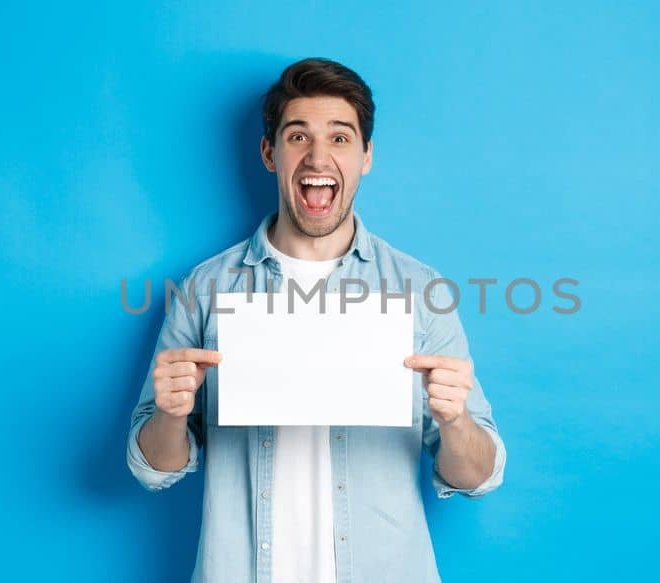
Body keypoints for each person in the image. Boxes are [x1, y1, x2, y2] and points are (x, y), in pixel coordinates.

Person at [125, 57, 506, 582]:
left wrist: (456, 420)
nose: (318, 156)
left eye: (341, 138)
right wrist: (170, 415)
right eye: (298, 136)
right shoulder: (205, 289)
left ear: (366, 156)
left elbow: (478, 476)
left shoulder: (421, 290)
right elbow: (152, 467)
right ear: (269, 152)